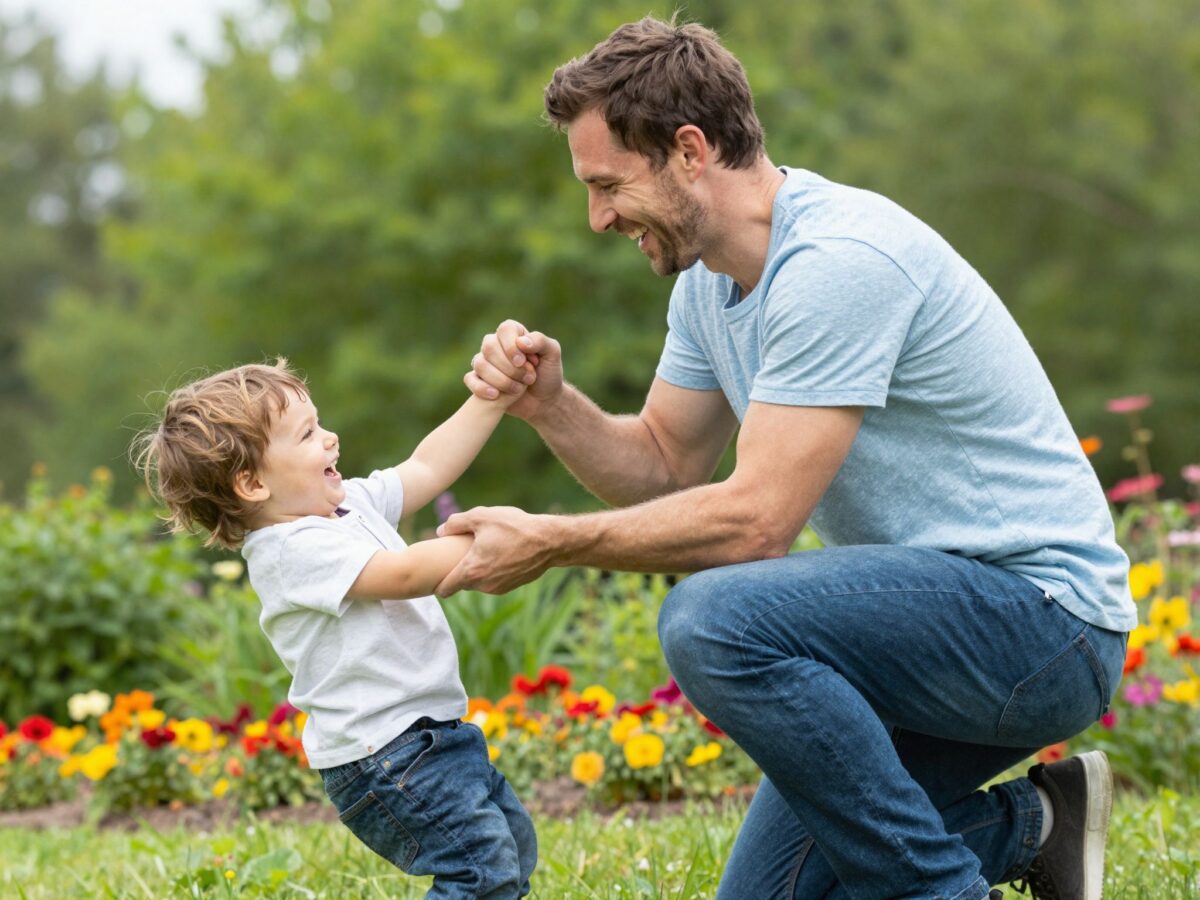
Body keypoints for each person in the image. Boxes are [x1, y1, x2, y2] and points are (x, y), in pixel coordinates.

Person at [436, 16, 1135, 900]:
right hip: (923, 638)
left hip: (1040, 625)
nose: (598, 217)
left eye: (608, 184)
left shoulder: (836, 261)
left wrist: (550, 540)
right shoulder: (708, 282)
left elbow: (755, 524)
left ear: (688, 151)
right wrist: (551, 407)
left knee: (714, 618)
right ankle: (1037, 825)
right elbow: (662, 464)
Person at [133, 359, 537, 899]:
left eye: (319, 423)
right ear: (251, 482)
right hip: (387, 756)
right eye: (307, 435)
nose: (331, 439)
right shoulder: (288, 550)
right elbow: (406, 574)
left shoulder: (346, 507)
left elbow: (426, 468)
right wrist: (508, 539)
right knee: (481, 869)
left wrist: (492, 398)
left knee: (510, 848)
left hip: (430, 737)